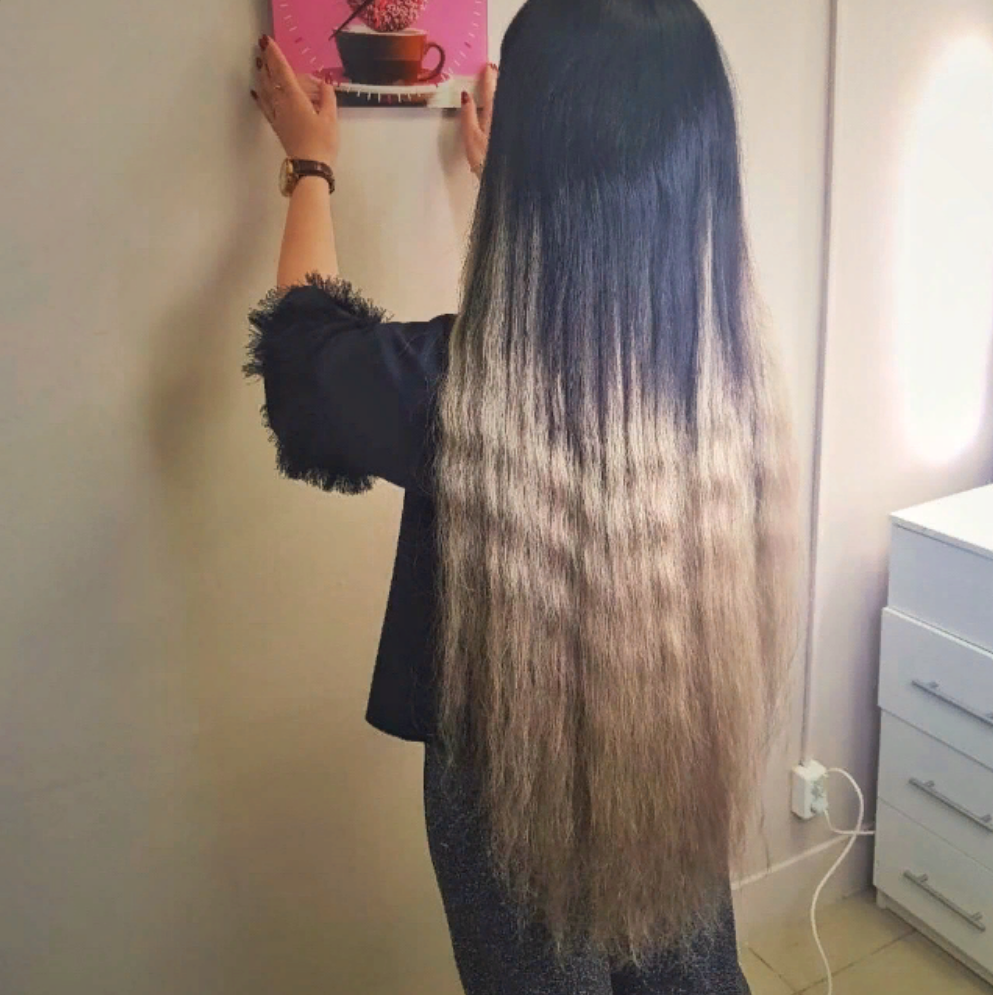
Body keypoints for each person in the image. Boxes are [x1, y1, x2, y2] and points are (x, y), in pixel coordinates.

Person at [246, 1, 801, 992]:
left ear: (530, 168)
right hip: (670, 745)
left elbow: (306, 362)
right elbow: (583, 314)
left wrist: (311, 166)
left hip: (506, 790)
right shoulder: (730, 377)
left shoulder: (460, 389)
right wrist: (518, 186)